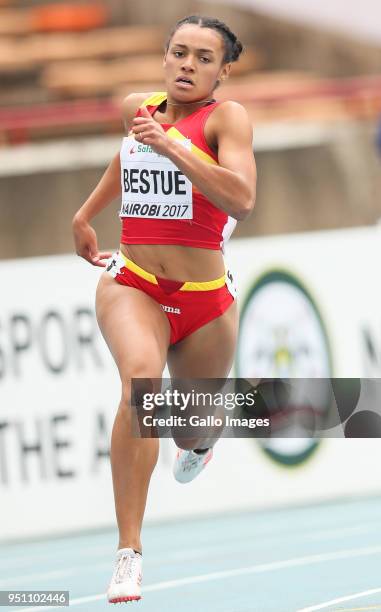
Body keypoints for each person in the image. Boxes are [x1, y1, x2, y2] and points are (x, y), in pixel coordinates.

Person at [72, 14, 257, 604]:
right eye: (179, 52)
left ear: (223, 71)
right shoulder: (139, 108)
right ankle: (129, 553)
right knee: (141, 386)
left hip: (206, 301)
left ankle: (201, 440)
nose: (187, 65)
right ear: (164, 57)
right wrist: (86, 213)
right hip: (135, 282)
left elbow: (242, 199)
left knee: (189, 426)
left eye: (204, 58)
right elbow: (128, 160)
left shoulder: (227, 119)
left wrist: (174, 144)